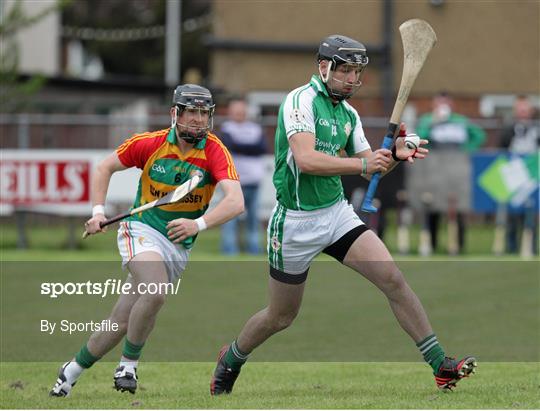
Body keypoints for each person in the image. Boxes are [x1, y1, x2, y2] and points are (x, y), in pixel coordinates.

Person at [210, 35, 476, 394]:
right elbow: (306, 159)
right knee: (280, 316)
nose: (353, 79)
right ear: (324, 67)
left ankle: (440, 365)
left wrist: (395, 155)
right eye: (346, 70)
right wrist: (362, 162)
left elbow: (370, 169)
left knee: (393, 279)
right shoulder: (299, 102)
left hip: (336, 215)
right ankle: (232, 358)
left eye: (358, 72)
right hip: (294, 222)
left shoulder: (348, 114)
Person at [50, 84, 244, 397]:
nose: (197, 119)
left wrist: (198, 224)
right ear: (175, 114)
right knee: (156, 291)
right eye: (191, 112)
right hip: (141, 229)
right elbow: (104, 167)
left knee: (121, 321)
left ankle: (70, 370)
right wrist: (98, 211)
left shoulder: (214, 150)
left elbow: (236, 201)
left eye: (203, 113)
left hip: (177, 243)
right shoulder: (150, 143)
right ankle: (128, 365)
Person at [416, 92, 486, 253]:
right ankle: (432, 244)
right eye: (439, 103)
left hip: (456, 171)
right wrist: (434, 122)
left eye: (445, 103)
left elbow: (479, 135)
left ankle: (458, 245)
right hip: (435, 171)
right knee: (433, 206)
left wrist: (467, 150)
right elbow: (420, 137)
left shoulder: (460, 121)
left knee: (458, 207)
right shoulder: (428, 120)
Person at [220, 97, 267, 254]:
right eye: (236, 111)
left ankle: (254, 248)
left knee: (253, 219)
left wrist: (240, 146)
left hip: (254, 180)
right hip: (233, 182)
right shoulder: (226, 128)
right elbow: (229, 145)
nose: (239, 114)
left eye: (241, 110)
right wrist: (249, 147)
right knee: (229, 218)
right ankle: (229, 249)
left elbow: (261, 147)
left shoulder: (255, 128)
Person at [499, 95, 539, 253]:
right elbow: (502, 148)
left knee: (531, 213)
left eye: (525, 108)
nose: (523, 112)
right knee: (513, 212)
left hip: (532, 175)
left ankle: (531, 247)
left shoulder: (536, 127)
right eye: (520, 109)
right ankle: (512, 247)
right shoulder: (509, 127)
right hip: (514, 174)